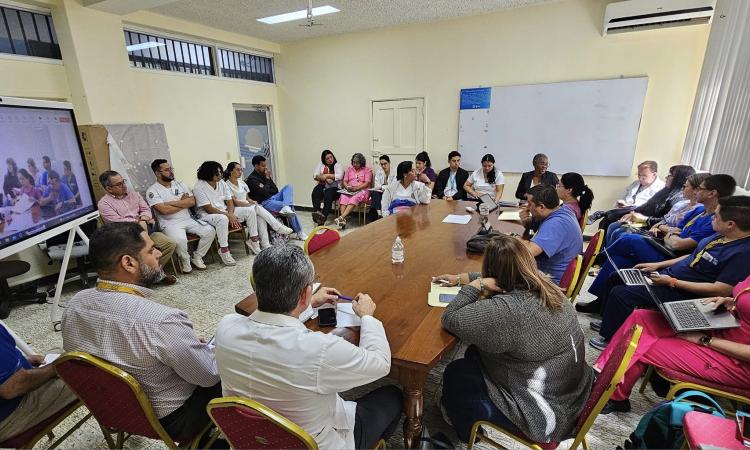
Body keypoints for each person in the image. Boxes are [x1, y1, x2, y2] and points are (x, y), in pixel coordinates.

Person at [215, 245, 402, 449]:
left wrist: (309, 304)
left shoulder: (226, 327)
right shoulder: (318, 349)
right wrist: (367, 316)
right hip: (318, 442)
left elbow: (276, 321)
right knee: (393, 395)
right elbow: (381, 364)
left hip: (249, 439)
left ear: (256, 287)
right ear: (304, 293)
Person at [62, 222, 221, 441]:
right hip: (172, 420)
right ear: (128, 263)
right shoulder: (161, 321)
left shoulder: (75, 304)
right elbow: (208, 376)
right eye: (150, 250)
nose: (158, 253)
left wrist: (182, 345)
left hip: (113, 410)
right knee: (234, 367)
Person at [433, 235, 593, 444]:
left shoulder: (508, 311)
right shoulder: (546, 285)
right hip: (571, 392)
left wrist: (474, 285)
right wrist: (461, 278)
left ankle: (467, 433)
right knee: (474, 352)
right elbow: (506, 278)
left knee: (456, 372)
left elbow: (450, 318)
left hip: (543, 413)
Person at [588, 196, 750, 351]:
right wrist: (657, 265)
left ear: (730, 224)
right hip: (669, 277)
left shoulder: (743, 253)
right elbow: (692, 256)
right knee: (617, 277)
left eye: (717, 215)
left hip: (686, 292)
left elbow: (721, 290)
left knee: (622, 294)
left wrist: (672, 282)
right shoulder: (722, 235)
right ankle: (609, 321)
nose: (712, 217)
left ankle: (611, 339)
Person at [582, 174, 737, 316]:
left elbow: (679, 244)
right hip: (664, 246)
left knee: (629, 239)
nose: (696, 191)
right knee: (620, 259)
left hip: (671, 255)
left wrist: (670, 234)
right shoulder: (698, 211)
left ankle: (593, 260)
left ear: (712, 193)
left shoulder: (715, 222)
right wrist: (669, 232)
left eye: (700, 189)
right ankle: (600, 303)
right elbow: (673, 229)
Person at [593, 275, 750, 414]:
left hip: (736, 362)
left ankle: (614, 396)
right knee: (642, 317)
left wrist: (706, 341)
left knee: (642, 344)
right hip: (723, 327)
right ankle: (602, 375)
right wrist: (733, 302)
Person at [97, 170, 177, 285]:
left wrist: (144, 219)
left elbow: (146, 209)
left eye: (123, 181)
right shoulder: (104, 204)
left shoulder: (134, 194)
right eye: (119, 184)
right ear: (109, 188)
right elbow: (118, 223)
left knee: (169, 244)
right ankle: (147, 277)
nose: (124, 185)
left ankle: (153, 274)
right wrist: (139, 222)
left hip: (147, 231)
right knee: (144, 251)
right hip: (127, 237)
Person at [0, 324, 77, 441]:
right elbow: (11, 388)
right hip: (10, 414)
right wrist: (54, 368)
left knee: (58, 352)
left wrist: (21, 360)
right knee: (83, 370)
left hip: (9, 397)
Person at [146, 159, 216, 273]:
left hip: (188, 219)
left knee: (210, 231)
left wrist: (170, 203)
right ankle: (185, 261)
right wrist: (183, 203)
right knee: (180, 240)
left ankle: (197, 257)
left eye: (171, 169)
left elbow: (192, 202)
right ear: (158, 173)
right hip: (170, 223)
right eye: (167, 170)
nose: (171, 172)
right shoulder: (152, 191)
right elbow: (163, 210)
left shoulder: (180, 184)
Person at [194, 160, 265, 263]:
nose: (221, 175)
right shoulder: (199, 187)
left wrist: (231, 214)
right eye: (217, 172)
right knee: (222, 219)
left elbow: (229, 201)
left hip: (225, 211)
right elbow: (208, 208)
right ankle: (224, 250)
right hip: (206, 215)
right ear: (208, 173)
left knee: (249, 210)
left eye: (220, 172)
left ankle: (253, 241)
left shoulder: (221, 183)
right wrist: (227, 215)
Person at [605, 166, 697, 244]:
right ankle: (603, 255)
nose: (666, 177)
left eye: (670, 175)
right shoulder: (666, 191)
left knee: (619, 231)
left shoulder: (678, 199)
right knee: (612, 223)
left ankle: (605, 256)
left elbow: (665, 220)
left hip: (653, 226)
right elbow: (647, 205)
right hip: (648, 222)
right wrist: (633, 213)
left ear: (679, 179)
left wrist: (644, 220)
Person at [519, 185, 582, 283]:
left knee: (501, 267)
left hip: (549, 282)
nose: (527, 207)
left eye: (530, 204)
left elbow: (527, 251)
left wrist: (514, 238)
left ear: (541, 207)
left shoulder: (556, 224)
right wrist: (528, 222)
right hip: (550, 271)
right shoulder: (562, 210)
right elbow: (542, 224)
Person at [223, 162, 293, 249]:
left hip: (249, 208)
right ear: (230, 171)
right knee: (257, 208)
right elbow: (235, 202)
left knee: (260, 215)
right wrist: (250, 204)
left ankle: (265, 244)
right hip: (237, 209)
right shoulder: (226, 185)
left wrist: (252, 201)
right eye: (237, 170)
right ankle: (277, 226)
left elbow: (247, 198)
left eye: (241, 170)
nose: (240, 172)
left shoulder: (242, 183)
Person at [588, 160, 666, 229]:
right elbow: (624, 196)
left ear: (654, 174)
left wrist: (629, 206)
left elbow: (650, 207)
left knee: (611, 222)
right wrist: (621, 203)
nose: (640, 178)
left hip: (640, 214)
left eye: (644, 176)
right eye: (639, 175)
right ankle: (601, 244)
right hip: (625, 211)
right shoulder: (635, 183)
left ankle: (602, 213)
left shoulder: (661, 188)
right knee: (604, 222)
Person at [245, 155, 306, 240]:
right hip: (264, 202)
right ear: (256, 166)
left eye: (265, 165)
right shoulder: (252, 179)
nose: (265, 167)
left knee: (288, 186)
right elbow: (264, 194)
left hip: (273, 197)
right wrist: (267, 179)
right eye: (263, 166)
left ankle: (286, 206)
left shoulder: (265, 175)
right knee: (290, 207)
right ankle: (299, 232)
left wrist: (268, 180)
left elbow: (275, 190)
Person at [334, 153, 372, 229]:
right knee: (343, 196)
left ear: (361, 163)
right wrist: (347, 187)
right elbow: (344, 181)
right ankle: (342, 220)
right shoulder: (349, 169)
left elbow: (367, 183)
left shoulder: (367, 170)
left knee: (354, 197)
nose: (354, 164)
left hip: (362, 190)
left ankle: (341, 217)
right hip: (350, 190)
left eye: (357, 163)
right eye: (353, 162)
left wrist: (357, 188)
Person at [310, 149, 343, 226]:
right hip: (323, 185)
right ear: (324, 160)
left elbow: (339, 176)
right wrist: (325, 178)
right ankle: (317, 213)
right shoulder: (321, 164)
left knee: (328, 194)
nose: (330, 160)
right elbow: (315, 175)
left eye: (331, 157)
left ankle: (323, 217)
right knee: (316, 191)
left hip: (335, 188)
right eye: (327, 159)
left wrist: (326, 175)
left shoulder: (338, 164)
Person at [368, 155, 396, 221]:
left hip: (391, 193)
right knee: (375, 193)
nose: (383, 166)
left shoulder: (395, 172)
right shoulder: (379, 171)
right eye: (381, 164)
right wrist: (382, 187)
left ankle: (377, 216)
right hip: (380, 192)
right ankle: (379, 214)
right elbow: (377, 185)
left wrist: (382, 187)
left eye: (385, 164)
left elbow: (393, 186)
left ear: (389, 162)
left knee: (378, 194)